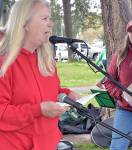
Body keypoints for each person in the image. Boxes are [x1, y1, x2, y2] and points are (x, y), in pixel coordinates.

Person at [0, 0, 81, 150]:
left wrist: (66, 95)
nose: (50, 24)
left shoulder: (46, 61)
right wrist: (38, 110)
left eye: (50, 19)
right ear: (25, 24)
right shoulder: (4, 62)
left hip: (48, 143)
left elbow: (49, 92)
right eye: (44, 19)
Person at [104, 18, 132, 150]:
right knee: (118, 146)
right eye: (131, 31)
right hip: (126, 109)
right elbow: (108, 81)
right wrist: (122, 95)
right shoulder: (120, 55)